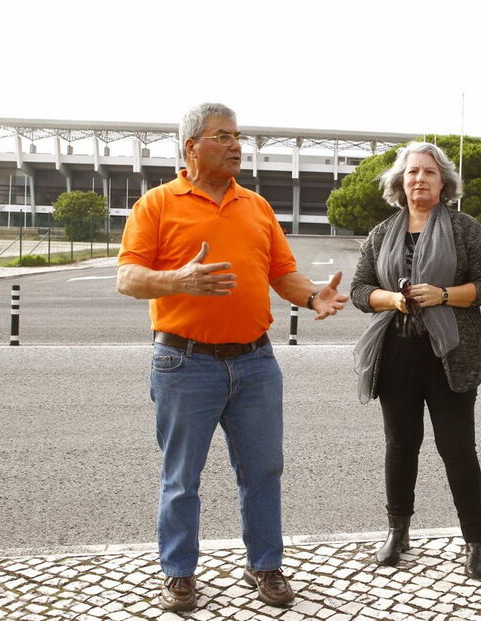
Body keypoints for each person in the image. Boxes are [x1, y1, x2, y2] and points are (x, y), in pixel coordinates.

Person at [116, 103, 348, 612]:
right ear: (190, 147)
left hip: (255, 363)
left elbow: (282, 273)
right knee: (182, 477)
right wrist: (176, 280)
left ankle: (265, 565)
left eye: (238, 136)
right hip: (183, 364)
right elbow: (127, 278)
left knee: (263, 470)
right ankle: (179, 572)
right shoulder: (157, 204)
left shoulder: (257, 206)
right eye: (222, 136)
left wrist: (313, 297)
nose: (236, 145)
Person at [351, 141, 481, 580]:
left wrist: (444, 295)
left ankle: (475, 542)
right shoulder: (381, 234)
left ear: (443, 182)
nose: (420, 179)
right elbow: (360, 291)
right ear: (400, 181)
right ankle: (398, 531)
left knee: (458, 450)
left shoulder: (464, 228)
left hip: (451, 354)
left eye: (429, 173)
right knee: (400, 447)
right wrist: (392, 299)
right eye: (412, 172)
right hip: (396, 354)